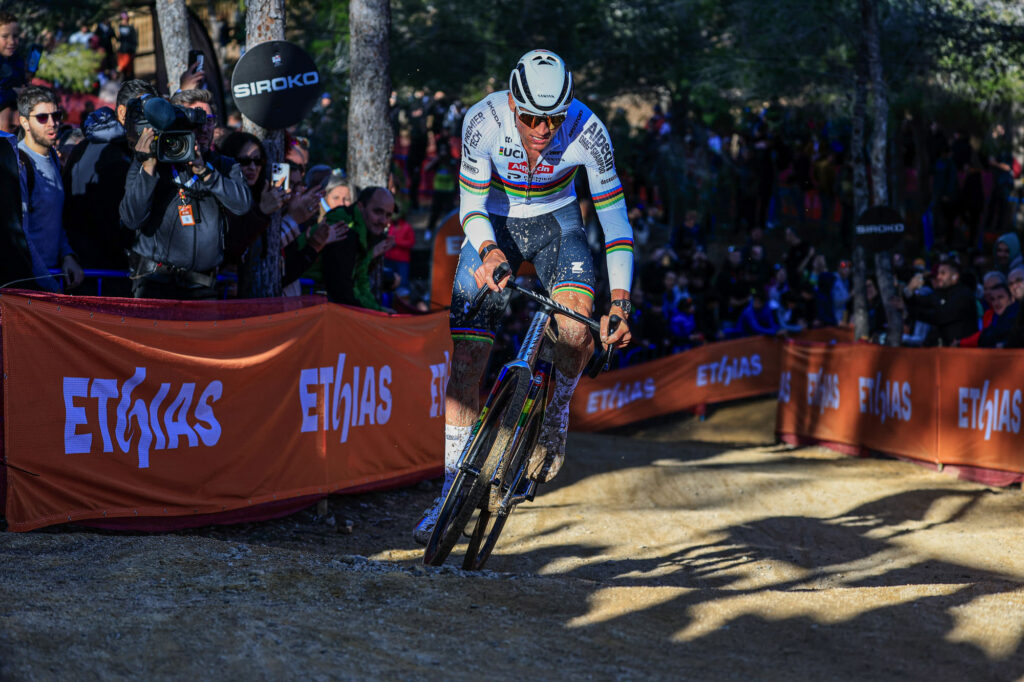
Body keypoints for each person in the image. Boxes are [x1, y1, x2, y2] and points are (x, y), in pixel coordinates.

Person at [413, 50, 633, 544]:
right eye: (531, 116)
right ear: (513, 102)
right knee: (467, 361)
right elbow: (469, 203)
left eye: (552, 119)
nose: (541, 129)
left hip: (559, 224)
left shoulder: (589, 131)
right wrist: (488, 250)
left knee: (576, 330)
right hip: (493, 223)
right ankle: (450, 490)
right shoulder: (483, 120)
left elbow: (614, 221)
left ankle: (556, 412)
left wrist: (620, 301)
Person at [119, 90, 251, 299]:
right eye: (193, 118)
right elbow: (131, 218)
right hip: (154, 282)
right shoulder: (149, 161)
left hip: (202, 286)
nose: (203, 127)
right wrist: (149, 167)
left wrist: (206, 172)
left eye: (208, 120)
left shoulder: (224, 166)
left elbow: (242, 205)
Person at [62, 79, 157, 296]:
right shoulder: (116, 158)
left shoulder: (87, 147)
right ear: (122, 113)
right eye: (142, 110)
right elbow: (119, 224)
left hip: (86, 271)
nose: (149, 120)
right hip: (105, 277)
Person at [17, 86, 83, 291]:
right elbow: (22, 235)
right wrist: (48, 284)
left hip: (53, 276)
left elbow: (55, 219)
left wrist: (67, 255)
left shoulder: (53, 157)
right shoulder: (20, 164)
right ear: (25, 122)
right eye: (42, 117)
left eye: (56, 115)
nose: (52, 123)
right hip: (29, 284)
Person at [321, 186, 396, 310]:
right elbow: (343, 293)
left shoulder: (365, 233)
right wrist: (377, 314)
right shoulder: (344, 230)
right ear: (361, 207)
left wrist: (379, 311)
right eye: (377, 212)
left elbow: (361, 284)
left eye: (388, 215)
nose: (383, 221)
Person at [895, 260, 977, 346]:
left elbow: (940, 316)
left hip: (964, 351)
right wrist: (909, 289)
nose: (938, 277)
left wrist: (907, 310)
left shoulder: (963, 294)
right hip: (944, 349)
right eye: (938, 273)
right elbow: (918, 301)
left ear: (955, 277)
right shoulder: (940, 293)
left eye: (943, 273)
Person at [115, 12, 138, 79]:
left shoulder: (131, 28)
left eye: (125, 19)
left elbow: (134, 40)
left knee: (128, 68)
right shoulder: (119, 27)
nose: (124, 21)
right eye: (122, 19)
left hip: (129, 51)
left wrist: (134, 50)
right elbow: (118, 39)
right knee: (122, 68)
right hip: (121, 50)